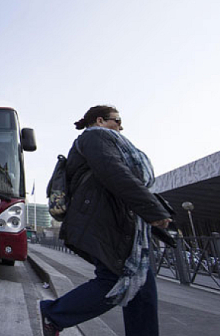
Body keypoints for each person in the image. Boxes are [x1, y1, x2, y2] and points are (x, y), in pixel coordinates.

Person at [39, 105, 172, 336]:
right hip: (104, 224)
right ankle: (55, 314)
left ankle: (56, 314)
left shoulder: (103, 139)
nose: (121, 127)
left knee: (141, 288)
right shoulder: (95, 136)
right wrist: (153, 210)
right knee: (116, 280)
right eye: (117, 120)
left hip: (121, 227)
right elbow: (114, 173)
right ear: (100, 120)